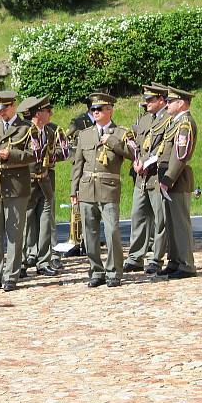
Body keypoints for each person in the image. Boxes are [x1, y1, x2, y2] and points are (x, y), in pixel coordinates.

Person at [70, 93, 135, 288]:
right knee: (89, 233)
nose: (95, 112)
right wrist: (74, 190)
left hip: (109, 188)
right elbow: (77, 165)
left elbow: (133, 153)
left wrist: (112, 142)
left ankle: (114, 271)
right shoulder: (85, 134)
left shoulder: (121, 133)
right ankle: (96, 271)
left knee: (112, 231)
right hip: (87, 187)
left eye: (99, 109)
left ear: (110, 110)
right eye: (93, 110)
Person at [0, 91, 35, 293]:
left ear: (13, 106)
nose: (0, 113)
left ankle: (11, 275)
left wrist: (10, 155)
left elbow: (33, 154)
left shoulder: (27, 128)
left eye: (4, 109)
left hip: (17, 185)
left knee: (14, 232)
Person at [123, 84, 171, 275]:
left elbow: (166, 147)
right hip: (141, 177)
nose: (147, 103)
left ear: (161, 100)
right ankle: (135, 257)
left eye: (151, 99)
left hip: (157, 175)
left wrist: (147, 162)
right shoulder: (143, 120)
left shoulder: (168, 120)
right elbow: (137, 146)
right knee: (138, 216)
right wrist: (135, 160)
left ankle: (156, 258)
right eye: (147, 99)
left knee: (160, 220)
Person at [19, 96, 67, 279]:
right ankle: (21, 262)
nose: (51, 114)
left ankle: (43, 261)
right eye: (48, 111)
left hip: (45, 182)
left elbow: (62, 152)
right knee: (25, 225)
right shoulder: (24, 131)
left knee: (46, 223)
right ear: (38, 113)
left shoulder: (51, 131)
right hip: (28, 182)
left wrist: (53, 155)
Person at [157, 86, 198, 279]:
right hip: (168, 179)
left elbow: (180, 155)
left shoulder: (184, 124)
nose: (167, 104)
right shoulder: (174, 123)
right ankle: (174, 260)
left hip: (177, 180)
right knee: (171, 223)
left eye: (170, 101)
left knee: (180, 224)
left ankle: (186, 264)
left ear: (181, 103)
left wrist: (168, 178)